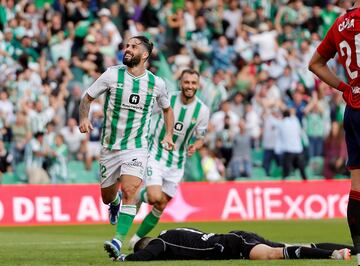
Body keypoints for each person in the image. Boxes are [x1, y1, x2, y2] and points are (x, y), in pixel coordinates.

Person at [78, 35, 175, 259]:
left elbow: (168, 109)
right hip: (110, 148)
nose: (128, 49)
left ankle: (117, 241)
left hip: (137, 147)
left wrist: (168, 134)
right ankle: (114, 203)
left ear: (145, 55)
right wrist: (84, 118)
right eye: (127, 46)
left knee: (130, 191)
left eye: (133, 47)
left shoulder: (156, 83)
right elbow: (87, 97)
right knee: (107, 196)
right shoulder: (112, 74)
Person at [128, 69, 210, 248]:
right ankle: (136, 195)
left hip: (177, 164)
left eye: (193, 83)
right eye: (186, 82)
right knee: (154, 196)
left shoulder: (202, 110)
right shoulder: (168, 99)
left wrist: (194, 147)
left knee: (161, 205)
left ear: (197, 85)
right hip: (156, 155)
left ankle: (135, 240)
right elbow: (147, 112)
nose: (190, 86)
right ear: (181, 83)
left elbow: (201, 138)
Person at [308, 2, 360, 265]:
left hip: (354, 108)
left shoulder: (340, 24)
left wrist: (344, 87)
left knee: (358, 182)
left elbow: (315, 64)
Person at [117, 227, 352, 261]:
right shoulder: (174, 232)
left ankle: (335, 255)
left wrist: (125, 258)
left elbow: (149, 254)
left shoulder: (160, 241)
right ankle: (353, 247)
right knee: (292, 244)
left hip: (231, 244)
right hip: (232, 236)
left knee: (274, 254)